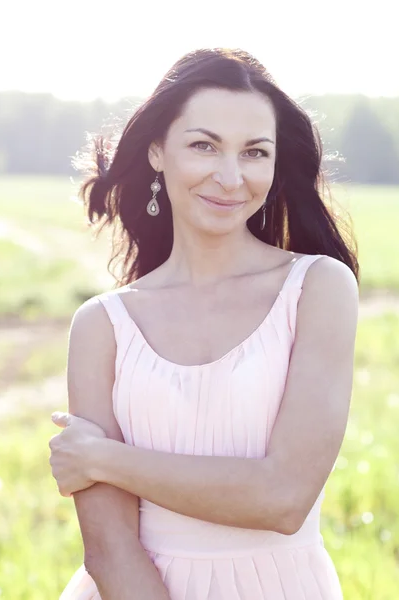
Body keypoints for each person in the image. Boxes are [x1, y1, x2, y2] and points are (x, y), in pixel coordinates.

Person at [48, 47, 359, 600]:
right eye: (203, 145)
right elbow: (109, 548)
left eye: (254, 152)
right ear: (156, 151)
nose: (231, 176)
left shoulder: (318, 288)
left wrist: (103, 459)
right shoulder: (102, 325)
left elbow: (284, 498)